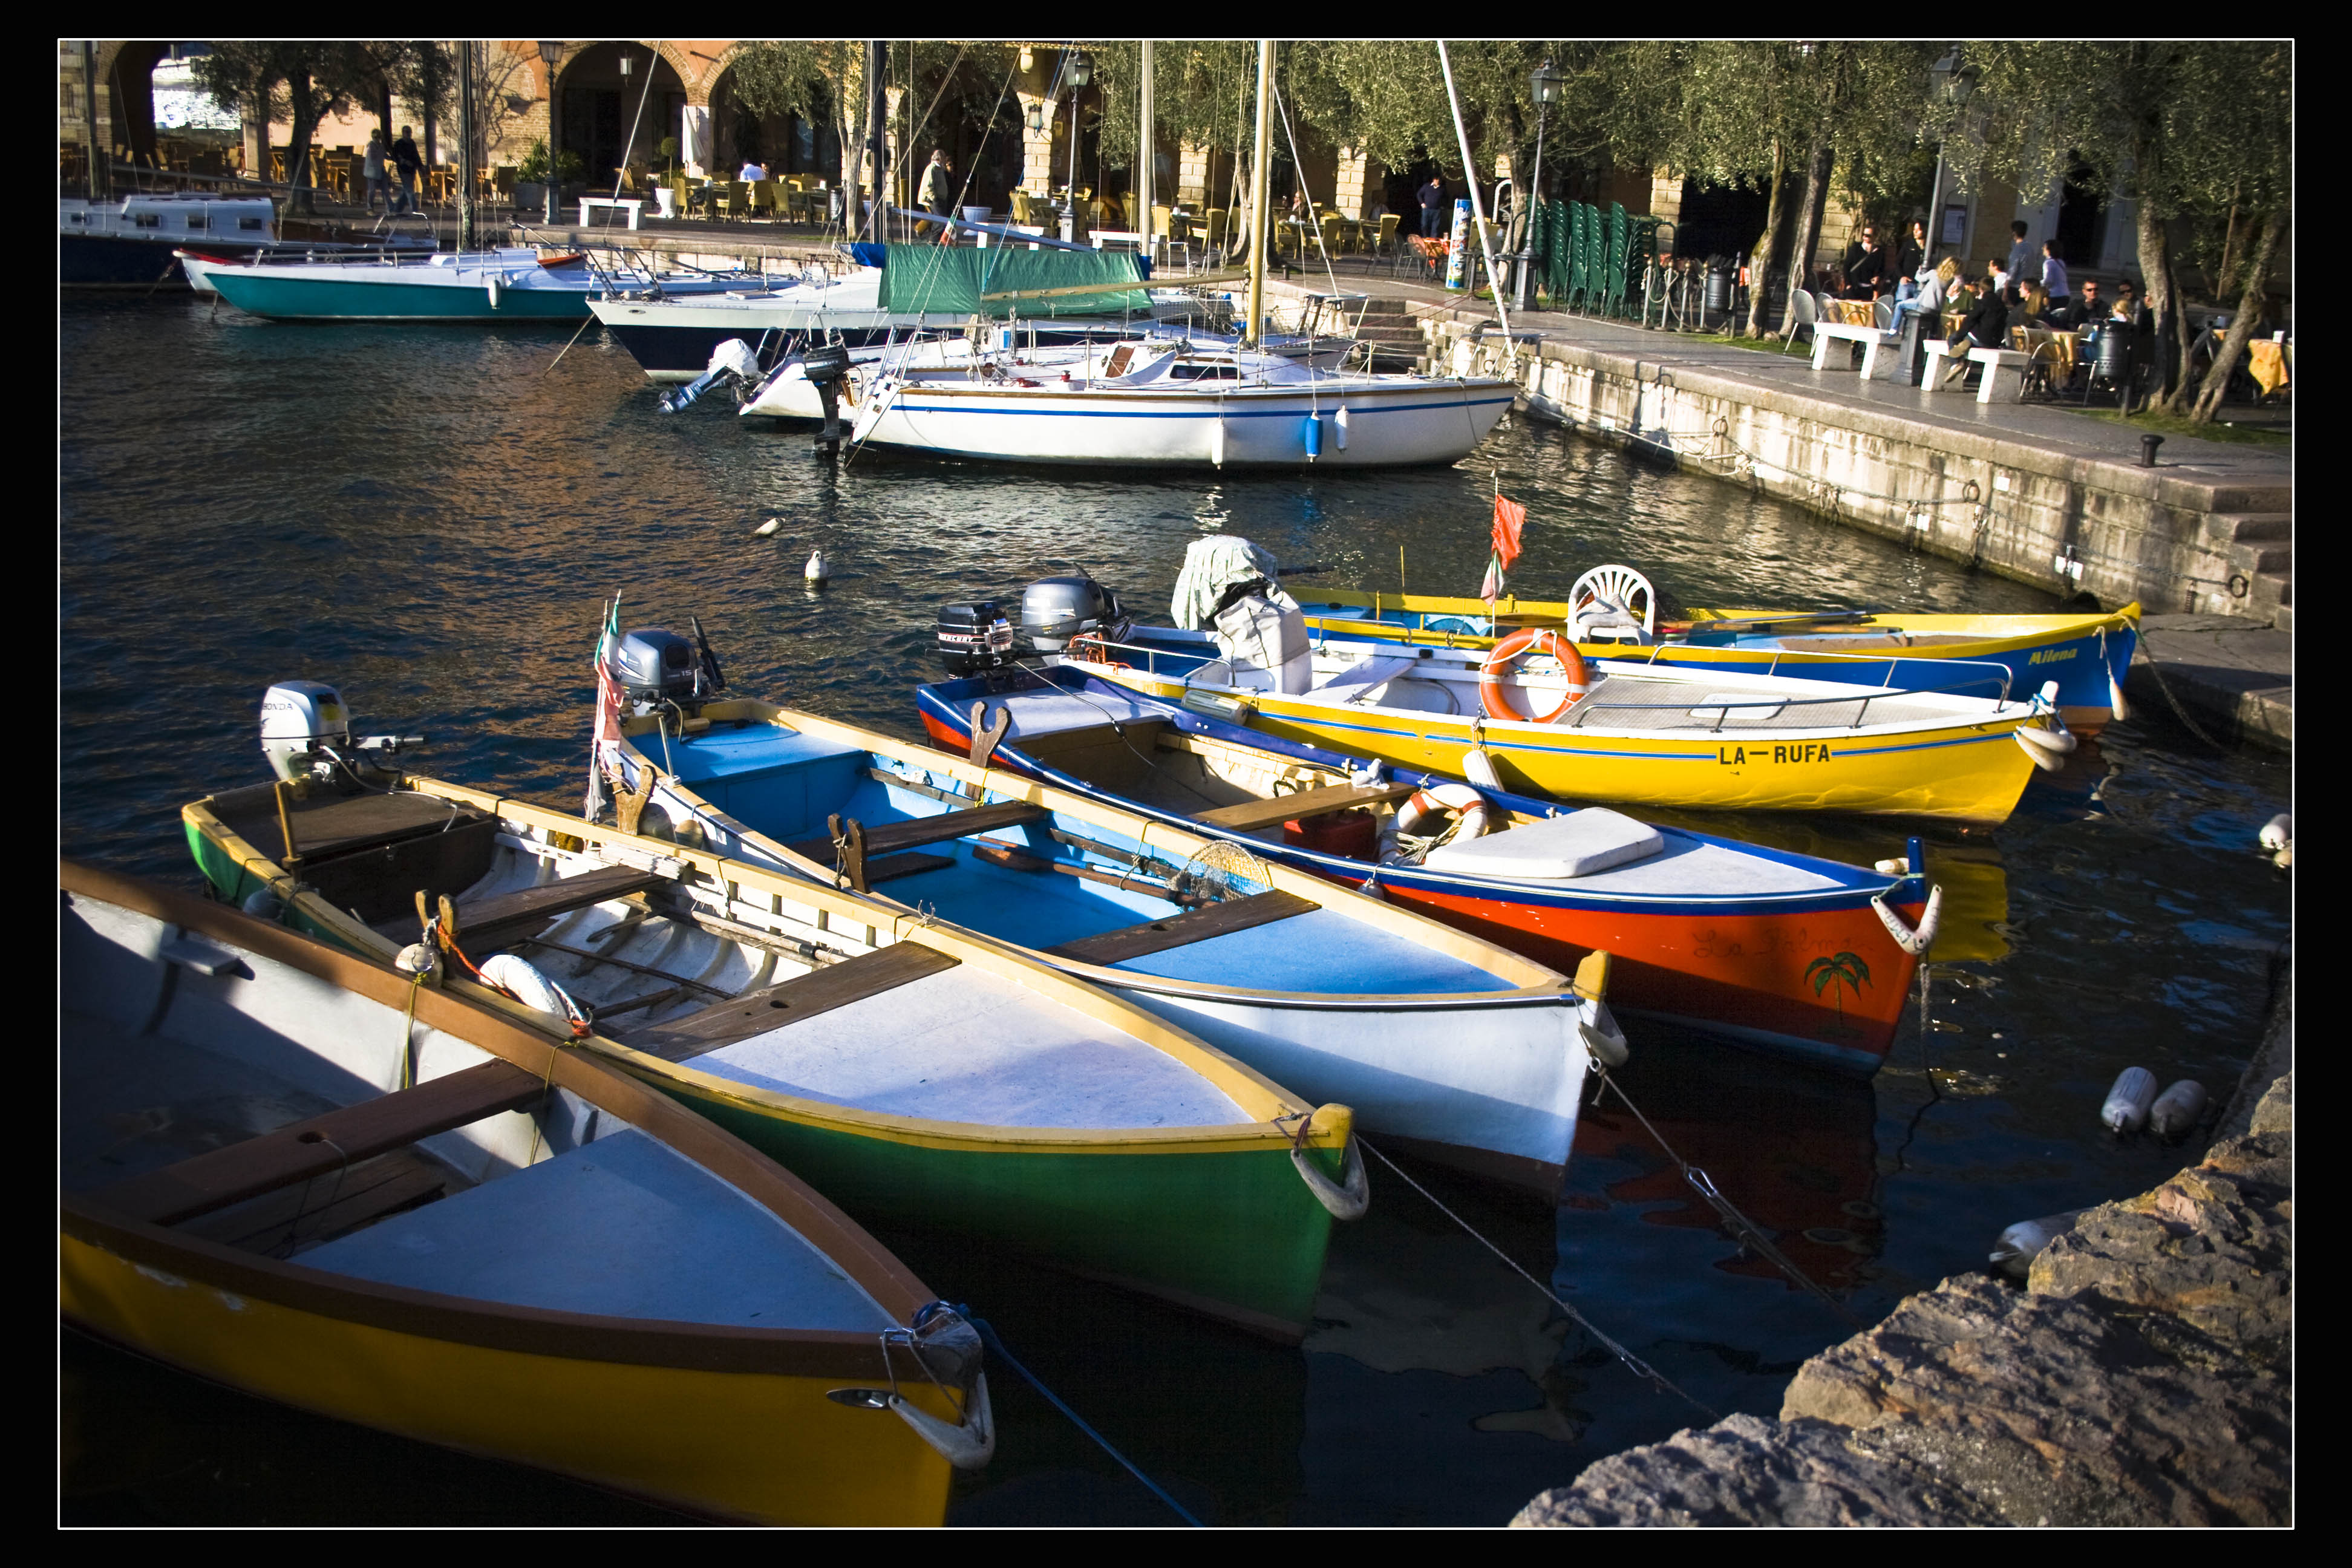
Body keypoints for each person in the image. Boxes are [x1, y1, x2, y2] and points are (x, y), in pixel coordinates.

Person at [921, 149, 955, 236]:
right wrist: (934, 198)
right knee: (940, 221)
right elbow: (928, 186)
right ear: (940, 158)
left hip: (941, 199)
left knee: (941, 220)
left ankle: (937, 240)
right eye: (944, 158)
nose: (945, 160)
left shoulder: (939, 169)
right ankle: (934, 241)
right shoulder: (932, 168)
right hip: (935, 200)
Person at [389, 125, 422, 216]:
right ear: (403, 133)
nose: (408, 134)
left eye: (409, 132)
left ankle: (397, 209)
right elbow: (394, 156)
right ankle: (415, 210)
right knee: (410, 191)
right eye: (406, 132)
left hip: (412, 170)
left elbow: (416, 156)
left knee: (406, 190)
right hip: (403, 170)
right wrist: (403, 161)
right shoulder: (399, 144)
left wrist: (420, 166)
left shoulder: (412, 143)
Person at [361, 129, 389, 215]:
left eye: (378, 137)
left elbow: (385, 155)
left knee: (386, 190)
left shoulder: (381, 146)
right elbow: (372, 157)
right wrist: (379, 152)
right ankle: (370, 209)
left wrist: (393, 157)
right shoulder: (371, 146)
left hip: (380, 170)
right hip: (372, 172)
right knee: (372, 191)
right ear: (373, 137)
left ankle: (390, 208)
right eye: (375, 137)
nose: (377, 139)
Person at [1895, 219, 1927, 284]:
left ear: (1925, 231)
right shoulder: (1908, 245)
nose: (1915, 232)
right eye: (1914, 229)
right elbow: (1897, 262)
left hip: (1922, 283)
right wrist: (1902, 277)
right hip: (1907, 282)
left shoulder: (1930, 247)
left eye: (1918, 230)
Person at [2040, 240, 2069, 305]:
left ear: (2049, 250)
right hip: (2065, 294)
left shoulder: (2048, 263)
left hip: (2055, 295)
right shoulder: (2061, 262)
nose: (2042, 249)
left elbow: (2048, 280)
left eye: (2044, 247)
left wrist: (2039, 283)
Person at [1419, 175, 1448, 239]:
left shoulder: (1442, 189)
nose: (1437, 181)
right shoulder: (1427, 186)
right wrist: (1422, 203)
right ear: (1433, 180)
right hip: (1427, 209)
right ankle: (1425, 238)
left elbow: (1446, 198)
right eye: (1436, 179)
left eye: (1439, 180)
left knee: (1435, 227)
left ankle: (1433, 240)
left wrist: (1443, 206)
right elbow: (1419, 194)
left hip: (1437, 210)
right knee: (1424, 224)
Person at [2006, 220, 2033, 285]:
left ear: (2014, 233)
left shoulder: (2017, 248)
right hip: (2027, 283)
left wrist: (2006, 287)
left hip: (2016, 285)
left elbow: (2013, 270)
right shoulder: (2029, 247)